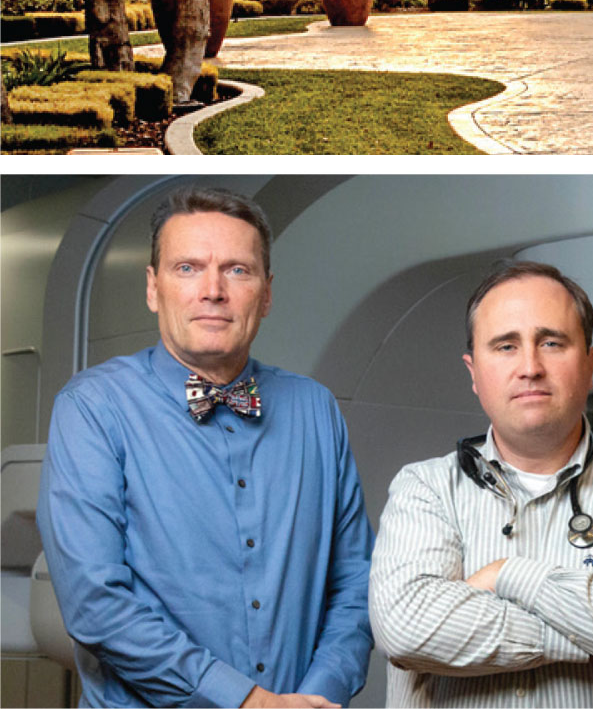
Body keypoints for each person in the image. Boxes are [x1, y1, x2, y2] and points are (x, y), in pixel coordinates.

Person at [38, 187, 374, 709]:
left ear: (266, 293)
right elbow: (96, 603)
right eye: (188, 268)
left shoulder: (317, 410)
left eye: (237, 270)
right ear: (153, 288)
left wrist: (316, 696)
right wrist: (249, 702)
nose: (213, 290)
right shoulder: (93, 408)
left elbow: (354, 584)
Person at [369, 259, 593, 703]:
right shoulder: (424, 489)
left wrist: (507, 575)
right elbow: (407, 628)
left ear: (589, 364)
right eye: (505, 346)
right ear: (473, 372)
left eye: (551, 342)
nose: (530, 366)